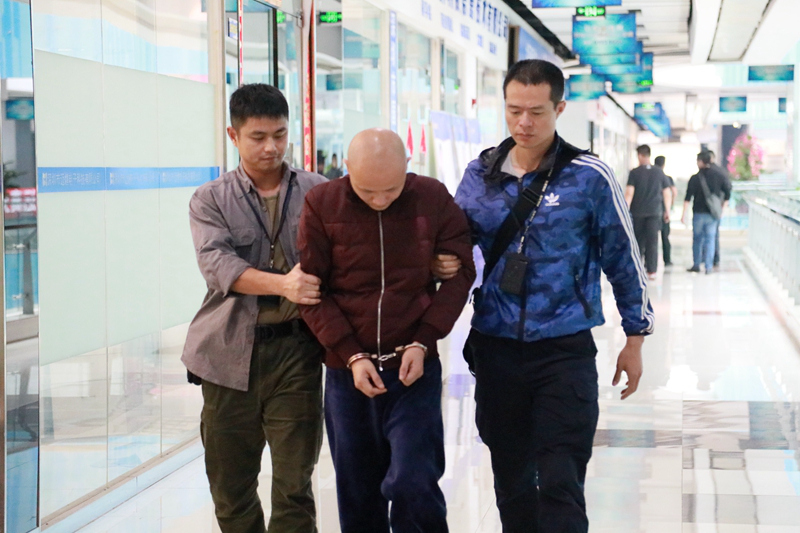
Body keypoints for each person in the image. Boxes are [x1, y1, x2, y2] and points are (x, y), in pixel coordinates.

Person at [454, 59, 653, 533]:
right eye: (514, 110)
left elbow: (623, 257)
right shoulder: (480, 173)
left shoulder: (589, 176)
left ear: (559, 109)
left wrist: (635, 336)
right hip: (497, 348)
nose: (524, 122)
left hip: (564, 350)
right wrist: (445, 263)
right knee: (512, 480)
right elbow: (453, 241)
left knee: (561, 478)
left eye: (537, 112)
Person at [298, 128, 476, 533]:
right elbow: (310, 289)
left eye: (391, 190)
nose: (380, 201)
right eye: (367, 191)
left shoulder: (431, 197)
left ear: (408, 167)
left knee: (414, 481)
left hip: (413, 368)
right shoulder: (322, 203)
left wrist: (424, 340)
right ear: (346, 169)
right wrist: (350, 354)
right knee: (358, 493)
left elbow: (462, 271)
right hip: (348, 375)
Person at [182, 83, 327, 533]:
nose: (271, 147)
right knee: (231, 488)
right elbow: (217, 266)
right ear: (234, 135)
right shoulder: (210, 199)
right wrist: (284, 284)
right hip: (227, 356)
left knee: (294, 485)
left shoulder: (318, 192)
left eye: (280, 135)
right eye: (258, 137)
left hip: (297, 353)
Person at [624, 145, 672, 280]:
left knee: (637, 242)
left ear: (640, 155)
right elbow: (667, 193)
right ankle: (652, 271)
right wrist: (667, 210)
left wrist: (624, 210)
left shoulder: (634, 173)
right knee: (652, 242)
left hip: (637, 213)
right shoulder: (659, 172)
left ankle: (637, 269)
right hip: (654, 213)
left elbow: (629, 193)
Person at [682, 151, 732, 274]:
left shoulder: (695, 178)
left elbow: (688, 198)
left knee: (697, 239)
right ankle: (708, 267)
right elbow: (728, 192)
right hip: (712, 214)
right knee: (710, 239)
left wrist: (683, 214)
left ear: (700, 162)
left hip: (698, 213)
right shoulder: (719, 175)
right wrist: (722, 208)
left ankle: (696, 264)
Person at [708, 150, 731, 269]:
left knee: (705, 236)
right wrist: (723, 206)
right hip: (717, 207)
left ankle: (706, 258)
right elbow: (728, 189)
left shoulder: (702, 173)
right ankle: (715, 258)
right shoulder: (721, 171)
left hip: (704, 208)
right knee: (714, 234)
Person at [654, 155, 677, 267]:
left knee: (650, 238)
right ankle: (667, 260)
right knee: (665, 237)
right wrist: (671, 205)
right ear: (664, 164)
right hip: (664, 210)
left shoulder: (652, 177)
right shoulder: (667, 178)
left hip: (653, 210)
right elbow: (674, 192)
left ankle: (649, 261)